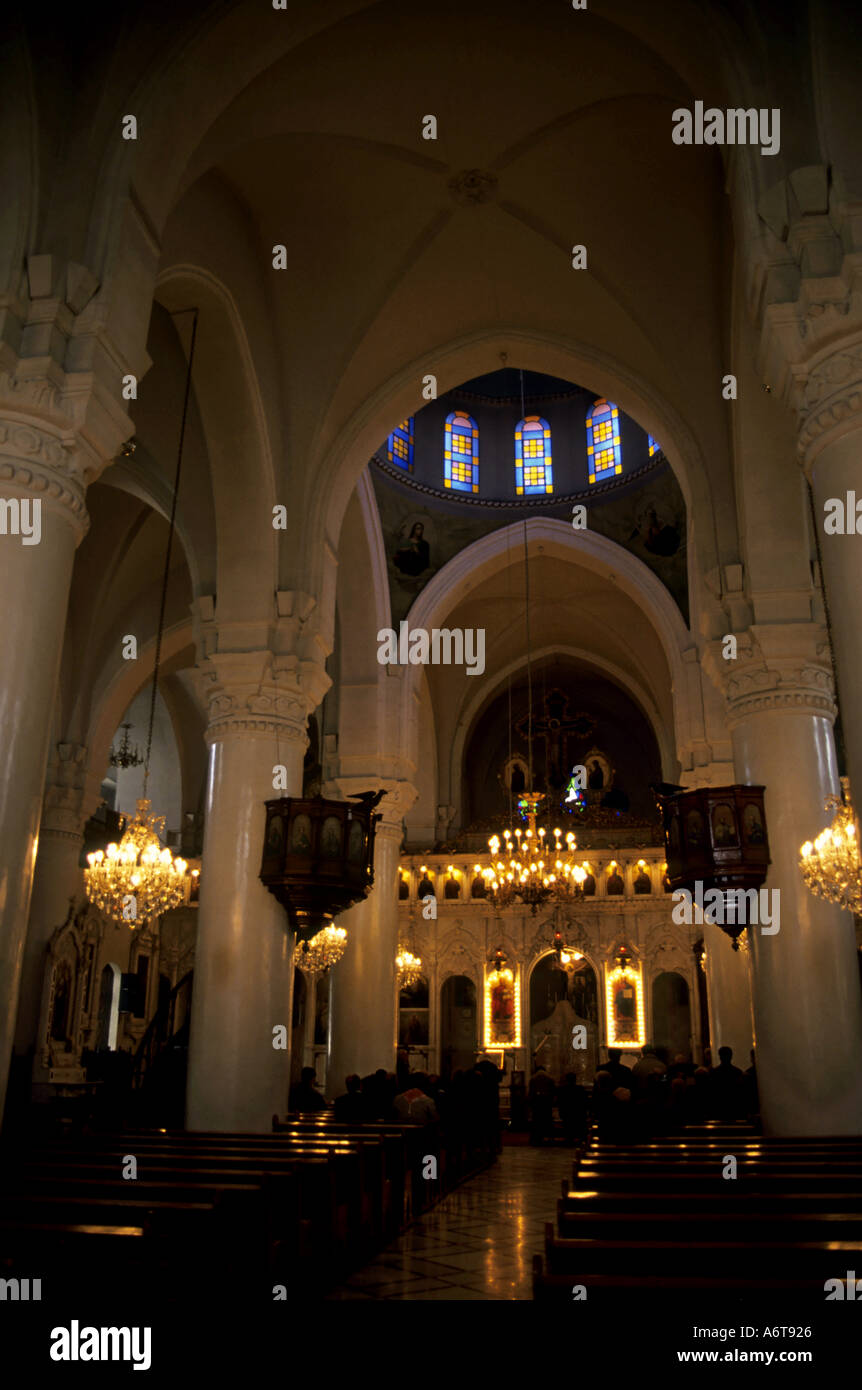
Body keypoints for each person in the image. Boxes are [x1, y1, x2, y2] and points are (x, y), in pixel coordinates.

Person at [709, 1045, 745, 1120]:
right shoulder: (737, 1072)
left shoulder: (714, 1072)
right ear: (731, 1056)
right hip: (734, 1107)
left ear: (720, 1057)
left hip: (719, 1107)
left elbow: (712, 1092)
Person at [528, 1065, 556, 1146]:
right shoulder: (549, 1078)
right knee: (547, 1119)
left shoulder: (533, 1078)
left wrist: (531, 1102)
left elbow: (531, 1092)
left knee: (537, 1120)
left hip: (537, 1101)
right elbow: (552, 1091)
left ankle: (536, 1138)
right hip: (546, 1101)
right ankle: (549, 1138)